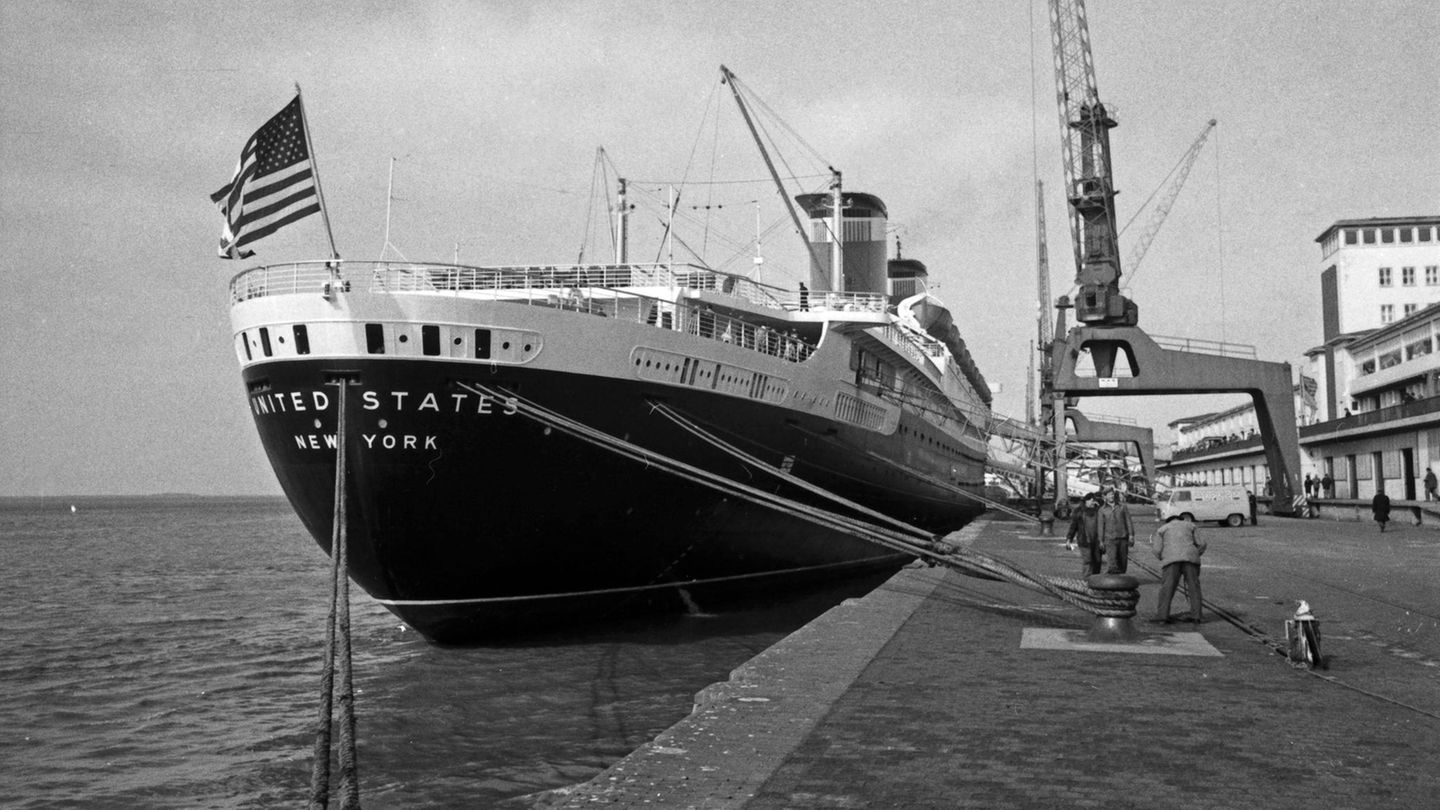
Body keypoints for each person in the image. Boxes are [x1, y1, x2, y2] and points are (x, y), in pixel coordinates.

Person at [1149, 514, 1207, 624]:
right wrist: (1195, 554)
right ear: (1181, 519)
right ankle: (1197, 616)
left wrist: (1165, 557)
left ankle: (1162, 616)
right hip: (1190, 558)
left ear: (1168, 521)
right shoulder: (1191, 526)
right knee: (1194, 587)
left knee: (1167, 588)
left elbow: (1156, 550)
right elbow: (1202, 544)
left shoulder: (1162, 529)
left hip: (1171, 560)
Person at [1096, 488, 1135, 574]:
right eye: (1109, 494)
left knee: (1123, 562)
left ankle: (1121, 581)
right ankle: (1112, 581)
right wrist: (1101, 541)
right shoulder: (1102, 510)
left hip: (1122, 537)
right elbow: (1100, 526)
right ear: (1105, 497)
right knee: (1112, 562)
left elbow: (1128, 521)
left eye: (1112, 494)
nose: (1112, 496)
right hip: (1110, 539)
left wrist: (1131, 535)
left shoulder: (1122, 507)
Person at [1066, 494, 1103, 575]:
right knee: (1088, 560)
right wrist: (1069, 539)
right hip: (1084, 540)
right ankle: (1087, 578)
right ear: (1086, 501)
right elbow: (1073, 526)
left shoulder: (1098, 511)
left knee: (1097, 561)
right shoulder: (1079, 511)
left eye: (1094, 500)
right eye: (1091, 500)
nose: (1093, 502)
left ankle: (1096, 579)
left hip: (1097, 541)